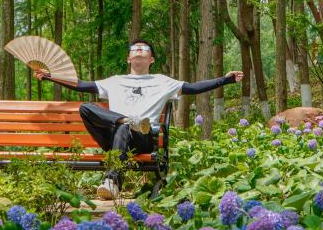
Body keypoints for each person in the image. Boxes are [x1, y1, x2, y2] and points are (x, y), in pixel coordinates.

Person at [34, 39, 243, 200]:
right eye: (135, 49)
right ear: (128, 59)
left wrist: (225, 80)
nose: (139, 50)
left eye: (144, 49)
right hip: (113, 136)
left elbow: (193, 87)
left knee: (125, 129)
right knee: (87, 108)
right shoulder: (115, 81)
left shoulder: (163, 82)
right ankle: (126, 119)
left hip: (143, 137)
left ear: (151, 59)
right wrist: (50, 75)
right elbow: (80, 85)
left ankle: (111, 181)